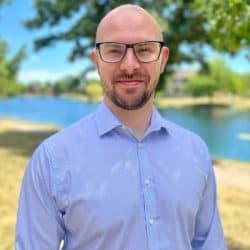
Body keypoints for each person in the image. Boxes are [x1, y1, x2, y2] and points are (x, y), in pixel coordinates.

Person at [15, 4, 227, 250]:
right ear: (96, 61)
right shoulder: (52, 159)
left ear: (163, 59)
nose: (129, 65)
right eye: (114, 51)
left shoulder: (195, 151)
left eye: (145, 50)